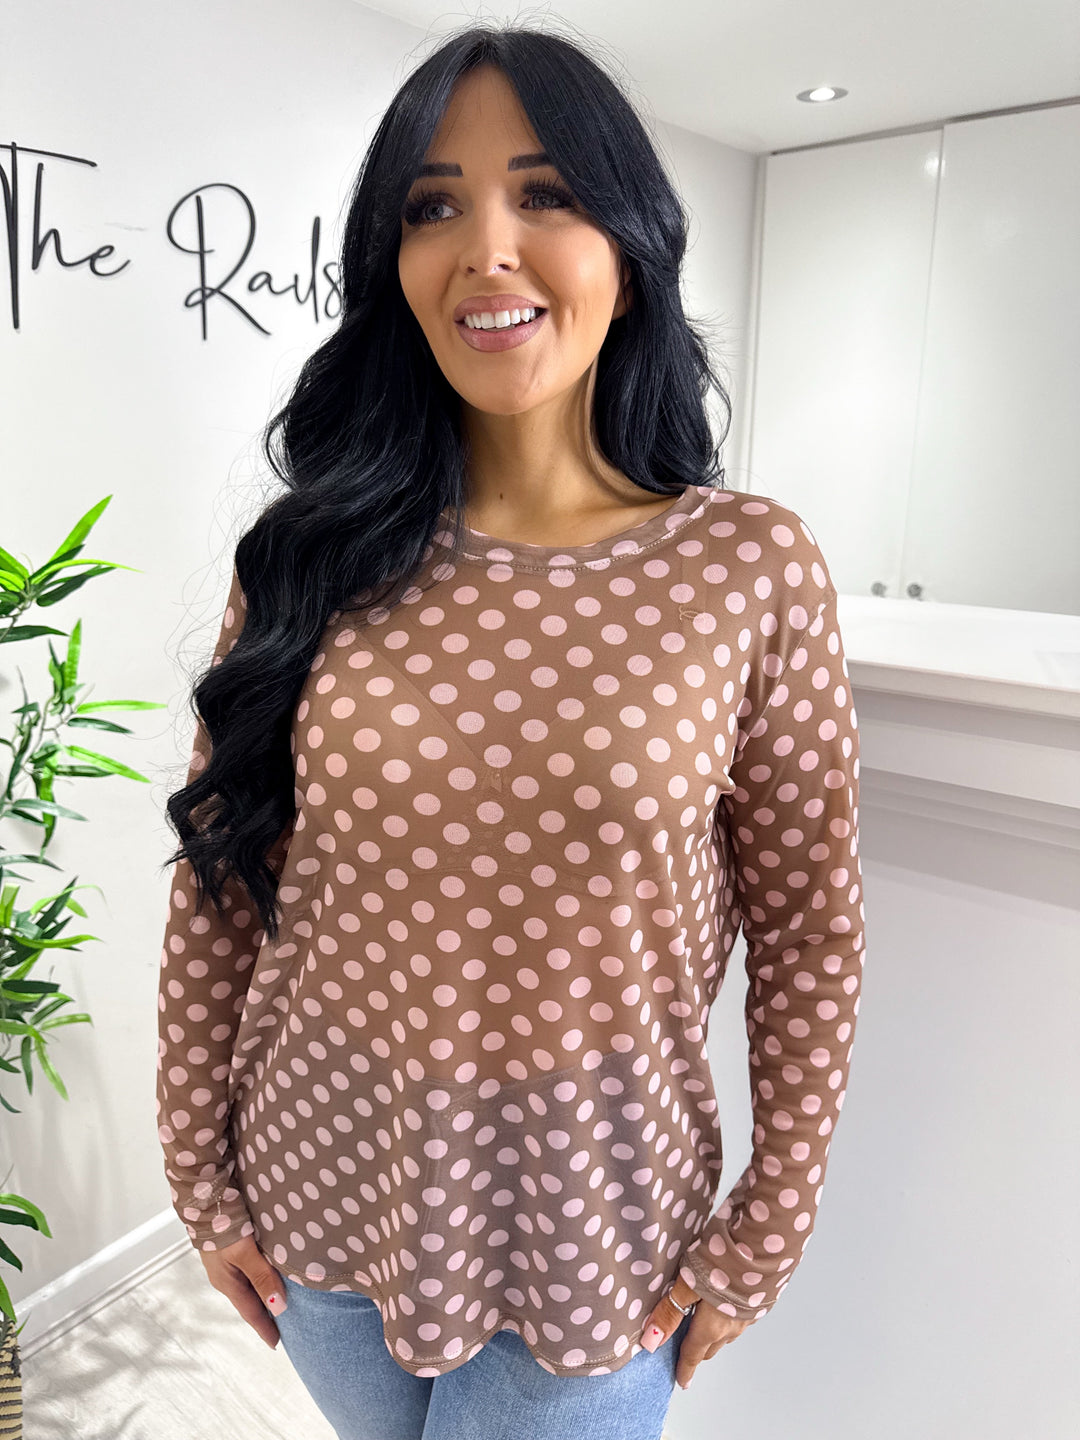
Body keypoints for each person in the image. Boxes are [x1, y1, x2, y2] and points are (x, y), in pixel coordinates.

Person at [155, 22, 866, 1440]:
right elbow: (225, 880)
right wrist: (200, 1177)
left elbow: (809, 932)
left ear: (629, 246)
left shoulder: (746, 566)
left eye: (544, 194)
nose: (487, 247)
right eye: (436, 207)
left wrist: (765, 1230)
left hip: (595, 1240)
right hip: (321, 1190)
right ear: (393, 261)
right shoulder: (308, 555)